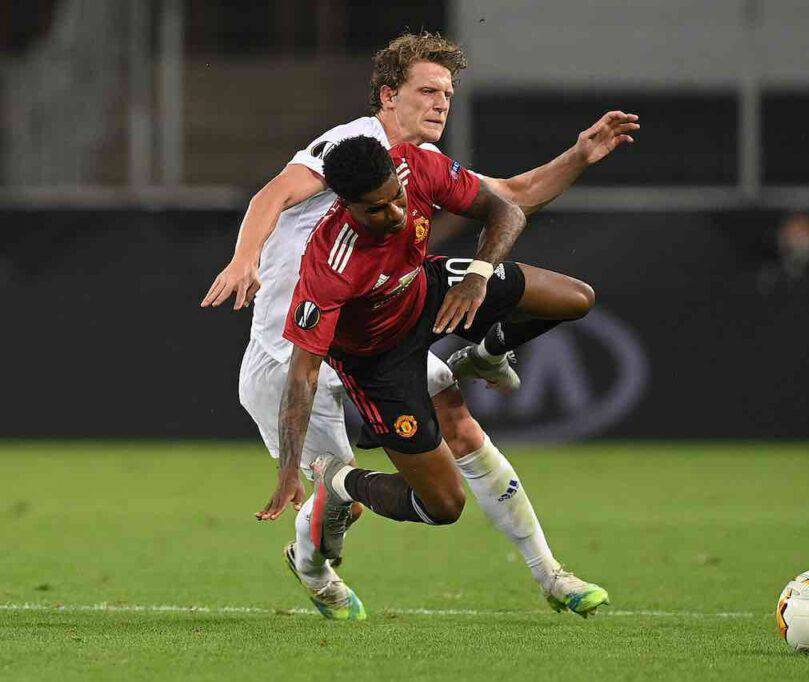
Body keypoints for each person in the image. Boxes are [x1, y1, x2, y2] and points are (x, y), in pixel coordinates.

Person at [200, 32, 638, 620]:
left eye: (448, 94)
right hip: (292, 355)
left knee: (458, 416)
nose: (440, 104)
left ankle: (551, 574)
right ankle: (314, 570)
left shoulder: (418, 164)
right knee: (340, 505)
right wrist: (245, 258)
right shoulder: (355, 144)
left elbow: (508, 197)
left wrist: (579, 155)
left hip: (386, 324)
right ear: (388, 96)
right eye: (426, 90)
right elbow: (273, 194)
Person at [266, 134, 607, 617]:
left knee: (575, 298)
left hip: (428, 289)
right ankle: (340, 480)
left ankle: (487, 355)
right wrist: (288, 471)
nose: (396, 214)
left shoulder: (416, 166)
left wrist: (478, 275)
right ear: (346, 207)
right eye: (377, 210)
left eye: (396, 198)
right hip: (379, 362)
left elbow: (506, 209)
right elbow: (302, 375)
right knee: (443, 506)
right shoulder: (329, 263)